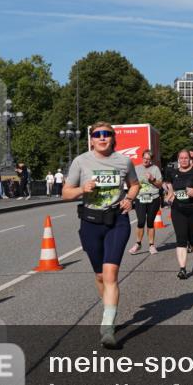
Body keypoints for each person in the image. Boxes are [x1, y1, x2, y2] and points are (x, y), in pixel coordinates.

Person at [61, 121, 139, 349]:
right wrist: (81, 189)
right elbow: (65, 193)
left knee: (111, 274)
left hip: (117, 220)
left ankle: (107, 327)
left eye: (107, 134)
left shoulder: (124, 161)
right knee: (99, 276)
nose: (102, 138)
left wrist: (129, 198)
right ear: (91, 139)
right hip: (90, 222)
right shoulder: (81, 161)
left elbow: (134, 184)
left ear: (113, 138)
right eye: (98, 134)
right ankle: (109, 310)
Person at [165, 149, 193, 278]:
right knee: (181, 239)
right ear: (178, 160)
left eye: (186, 158)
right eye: (181, 158)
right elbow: (169, 187)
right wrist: (169, 194)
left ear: (190, 159)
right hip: (178, 210)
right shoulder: (173, 173)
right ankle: (182, 269)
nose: (183, 160)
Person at [130, 150, 164, 255]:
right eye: (145, 158)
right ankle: (138, 244)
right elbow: (131, 183)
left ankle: (151, 245)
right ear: (142, 158)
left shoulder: (155, 169)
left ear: (151, 160)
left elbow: (160, 184)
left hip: (153, 198)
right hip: (140, 198)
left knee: (150, 222)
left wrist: (153, 179)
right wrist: (135, 186)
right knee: (140, 221)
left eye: (148, 159)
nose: (146, 161)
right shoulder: (136, 168)